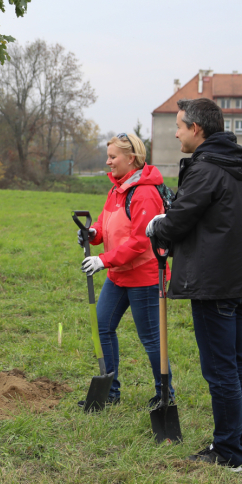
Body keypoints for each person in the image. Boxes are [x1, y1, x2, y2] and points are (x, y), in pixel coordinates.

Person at [146, 98, 242, 472]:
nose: (176, 132)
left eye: (179, 126)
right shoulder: (238, 165)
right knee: (235, 365)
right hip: (238, 281)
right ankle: (240, 441)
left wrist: (156, 226)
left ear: (196, 128)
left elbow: (179, 221)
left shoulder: (207, 168)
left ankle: (227, 452)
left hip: (215, 284)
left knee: (221, 370)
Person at [77, 132, 173, 408]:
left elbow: (141, 242)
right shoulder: (117, 189)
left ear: (131, 159)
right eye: (107, 156)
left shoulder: (143, 192)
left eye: (112, 157)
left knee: (151, 339)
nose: (108, 162)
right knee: (102, 326)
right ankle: (110, 393)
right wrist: (92, 233)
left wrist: (102, 260)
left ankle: (165, 394)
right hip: (119, 275)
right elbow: (108, 226)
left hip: (143, 276)